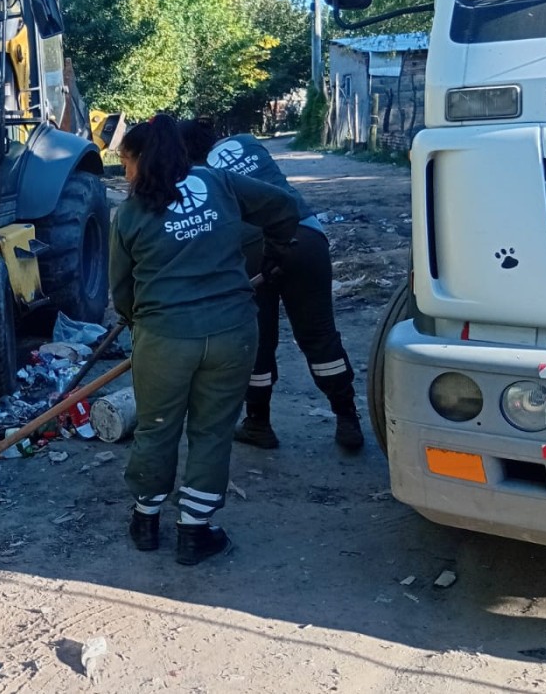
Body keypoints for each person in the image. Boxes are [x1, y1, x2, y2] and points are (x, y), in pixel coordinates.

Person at [110, 114, 299, 565]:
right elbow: (284, 206)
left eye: (126, 162)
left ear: (142, 159)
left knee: (156, 427)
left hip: (165, 338)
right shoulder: (219, 183)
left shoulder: (129, 214)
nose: (124, 172)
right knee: (212, 430)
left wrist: (143, 323)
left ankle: (145, 521)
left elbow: (121, 291)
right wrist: (275, 252)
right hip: (232, 331)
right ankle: (195, 532)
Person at [180, 119, 365, 451]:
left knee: (258, 341)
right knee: (320, 335)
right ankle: (347, 418)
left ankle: (258, 423)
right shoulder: (247, 140)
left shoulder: (198, 175)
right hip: (307, 238)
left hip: (253, 252)